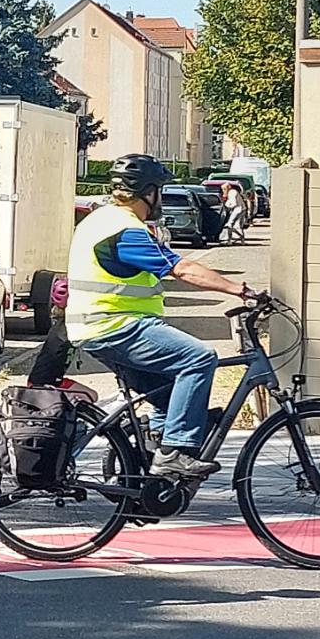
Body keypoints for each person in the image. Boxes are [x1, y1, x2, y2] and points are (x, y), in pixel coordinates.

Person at [67, 154, 258, 479]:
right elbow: (182, 268)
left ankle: (154, 464)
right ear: (146, 191)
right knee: (198, 359)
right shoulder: (125, 231)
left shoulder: (101, 219)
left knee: (166, 395)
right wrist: (239, 289)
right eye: (159, 189)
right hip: (114, 326)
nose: (162, 198)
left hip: (96, 326)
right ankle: (175, 452)